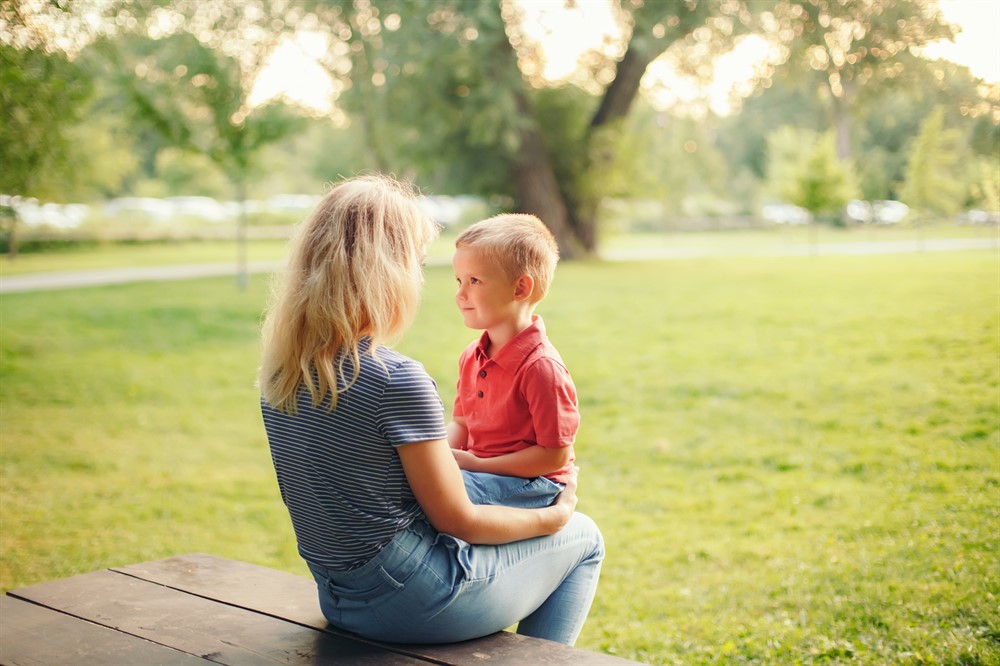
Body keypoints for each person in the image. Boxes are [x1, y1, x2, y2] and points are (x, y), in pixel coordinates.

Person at [258, 174, 604, 647]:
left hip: (337, 595)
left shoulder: (280, 376)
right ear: (386, 272)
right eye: (417, 264)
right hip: (414, 603)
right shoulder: (393, 379)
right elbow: (459, 521)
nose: (423, 281)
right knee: (584, 538)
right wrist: (554, 518)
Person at [448, 214, 578, 510]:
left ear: (520, 289)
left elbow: (554, 455)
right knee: (421, 483)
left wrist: (477, 464)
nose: (460, 294)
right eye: (459, 281)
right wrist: (438, 459)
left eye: (474, 281)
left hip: (536, 484)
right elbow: (461, 423)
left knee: (441, 497)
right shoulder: (472, 355)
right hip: (483, 474)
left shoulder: (541, 367)